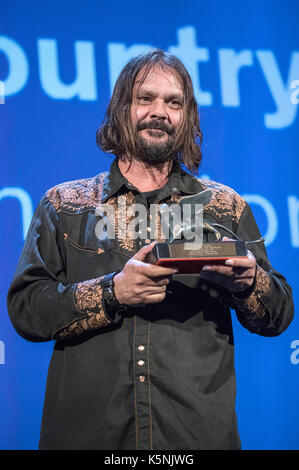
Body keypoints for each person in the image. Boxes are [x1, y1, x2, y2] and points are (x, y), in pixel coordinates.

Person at [7, 49, 294, 451]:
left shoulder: (224, 206)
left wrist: (249, 282)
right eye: (145, 98)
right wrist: (113, 292)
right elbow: (27, 310)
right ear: (122, 107)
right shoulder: (65, 204)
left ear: (187, 117)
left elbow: (277, 315)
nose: (159, 111)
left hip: (197, 437)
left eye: (173, 102)